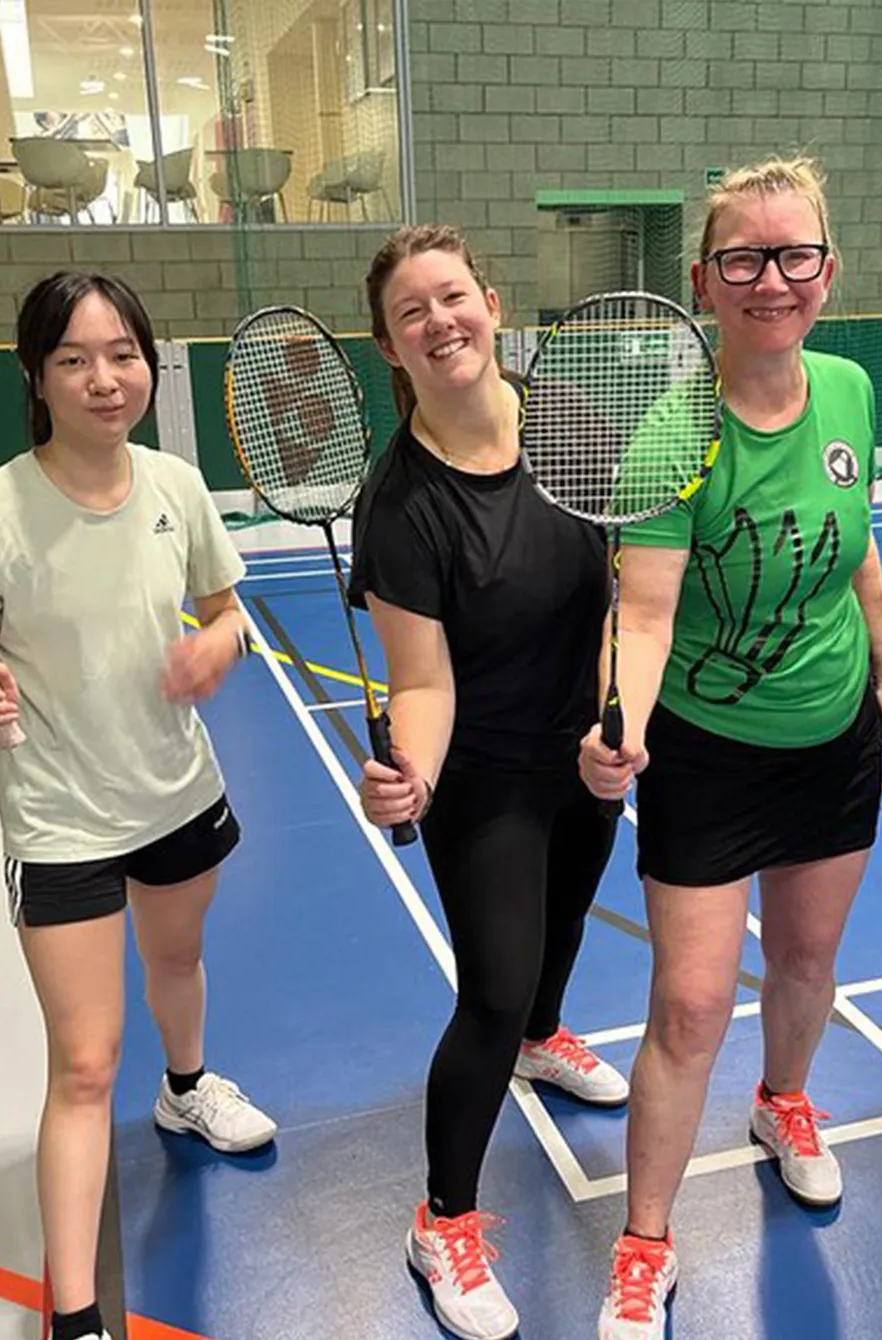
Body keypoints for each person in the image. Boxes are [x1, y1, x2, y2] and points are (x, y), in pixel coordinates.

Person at [579, 156, 882, 1340]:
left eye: (792, 254)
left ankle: (783, 1103)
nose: (770, 279)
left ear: (828, 270)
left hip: (829, 741)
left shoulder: (853, 391)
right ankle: (645, 1241)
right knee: (685, 1004)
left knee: (810, 964)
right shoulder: (674, 435)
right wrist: (614, 727)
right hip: (710, 756)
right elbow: (648, 612)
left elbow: (861, 537)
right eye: (742, 258)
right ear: (703, 280)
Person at [0, 272, 276, 1340]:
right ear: (34, 374)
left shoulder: (175, 483)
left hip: (176, 790)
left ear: (148, 361)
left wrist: (217, 641)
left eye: (122, 352)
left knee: (177, 962)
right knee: (81, 1062)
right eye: (74, 358)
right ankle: (72, 1311)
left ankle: (186, 1085)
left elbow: (228, 610)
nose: (103, 376)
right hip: (58, 815)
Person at [349, 223, 629, 1340]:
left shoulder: (566, 423)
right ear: (389, 348)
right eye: (411, 312)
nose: (439, 321)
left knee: (564, 924)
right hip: (485, 777)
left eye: (451, 296)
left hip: (584, 749)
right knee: (492, 986)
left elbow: (621, 592)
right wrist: (409, 769)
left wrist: (617, 713)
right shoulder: (402, 505)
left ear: (492, 304)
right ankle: (443, 1217)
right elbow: (420, 680)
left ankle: (545, 1036)